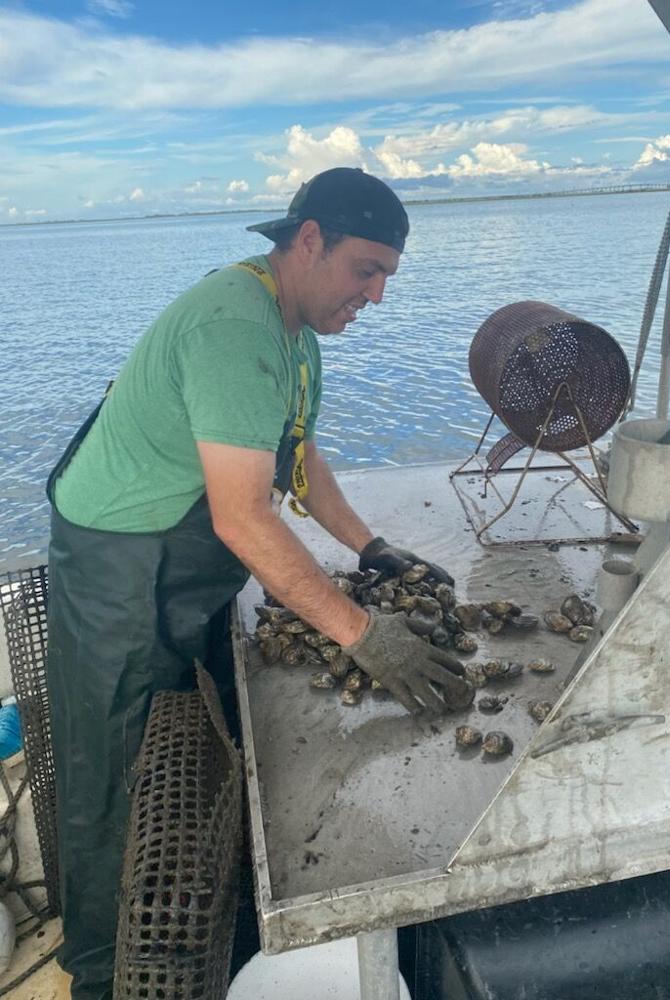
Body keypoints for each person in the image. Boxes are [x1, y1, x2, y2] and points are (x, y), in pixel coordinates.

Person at [45, 166, 471, 999]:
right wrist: (365, 635)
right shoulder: (234, 325)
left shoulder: (297, 334)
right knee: (118, 772)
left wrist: (371, 544)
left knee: (192, 741)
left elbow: (297, 456)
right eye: (365, 269)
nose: (377, 296)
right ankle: (101, 972)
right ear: (308, 241)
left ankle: (203, 919)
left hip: (186, 555)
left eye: (388, 275)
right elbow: (245, 519)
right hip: (121, 563)